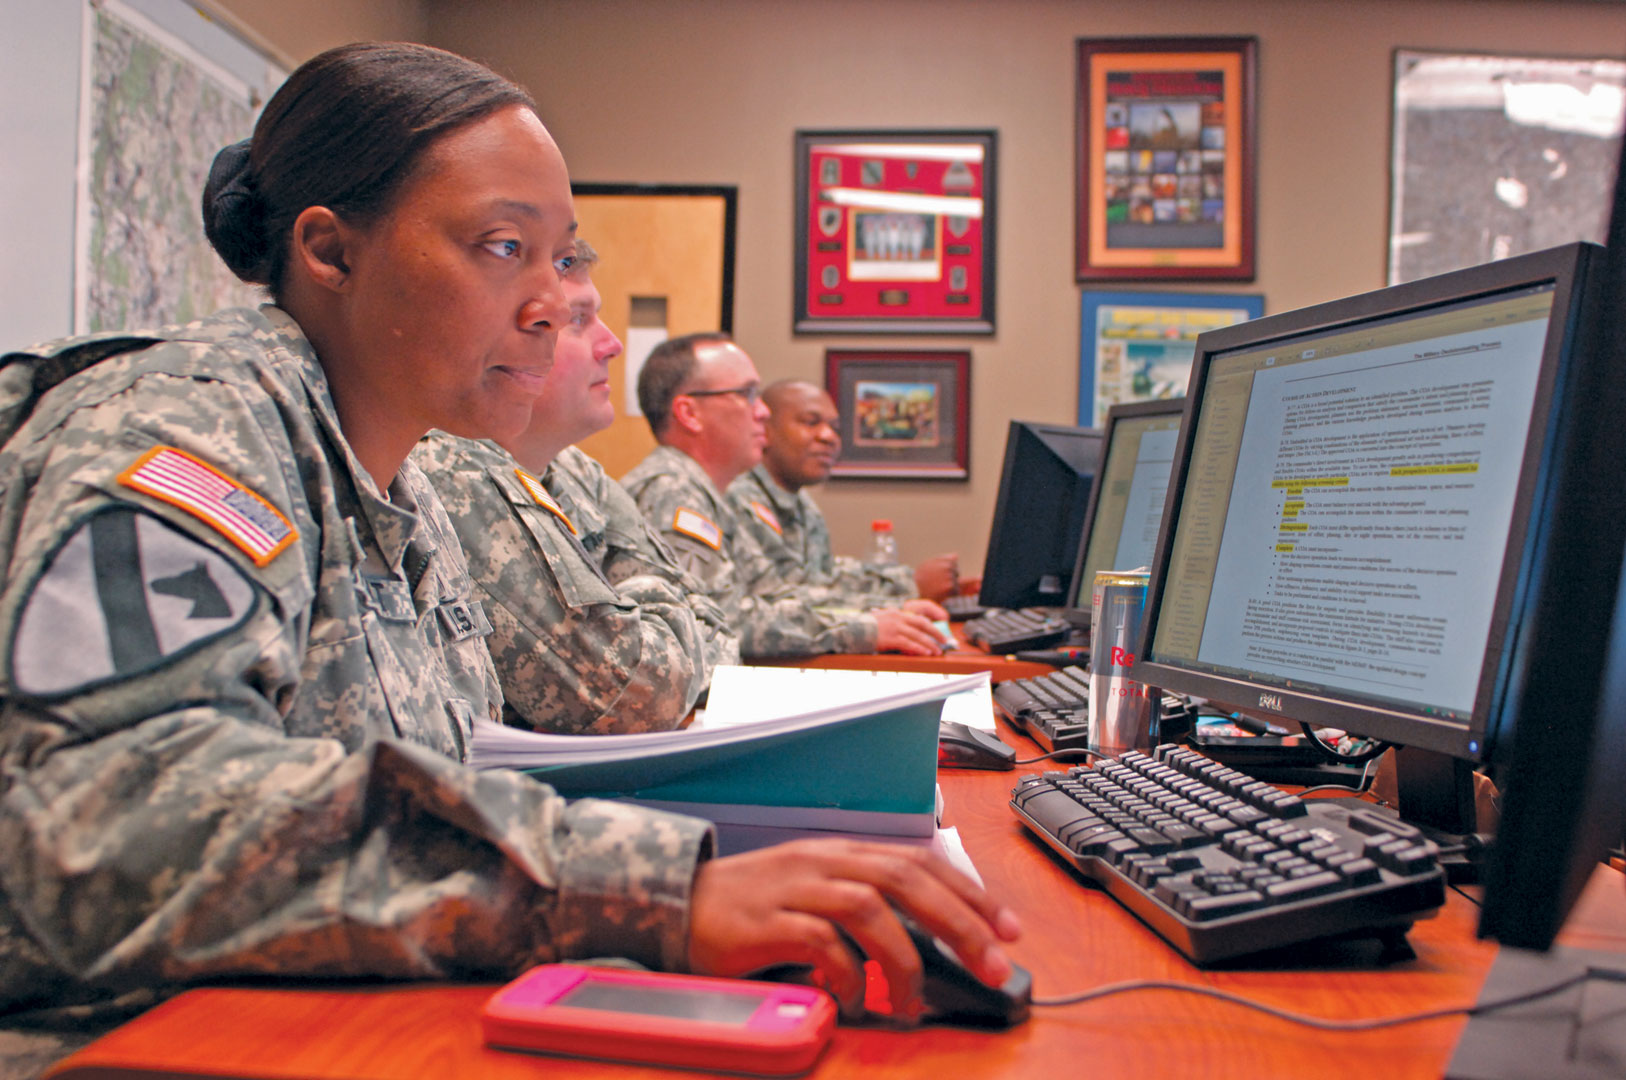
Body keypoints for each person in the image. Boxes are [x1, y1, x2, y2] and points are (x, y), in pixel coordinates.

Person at [0, 42, 1018, 1066]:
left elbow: (448, 777)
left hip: (328, 1005)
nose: (549, 304)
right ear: (330, 253)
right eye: (501, 248)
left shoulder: (408, 482)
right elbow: (114, 821)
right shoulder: (189, 431)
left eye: (563, 258)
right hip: (120, 1038)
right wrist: (653, 884)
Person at [413, 241, 737, 734]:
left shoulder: (575, 471)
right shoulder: (450, 465)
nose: (613, 345)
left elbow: (723, 630)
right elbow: (637, 697)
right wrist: (650, 610)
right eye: (580, 320)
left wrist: (638, 623)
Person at [621, 334, 948, 658]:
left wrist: (881, 610)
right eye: (747, 394)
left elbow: (775, 592)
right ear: (690, 413)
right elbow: (723, 621)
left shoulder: (702, 491)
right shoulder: (671, 491)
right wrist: (864, 628)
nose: (763, 411)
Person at [730, 379, 973, 603]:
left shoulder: (802, 504)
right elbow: (779, 603)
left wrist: (909, 581)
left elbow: (824, 579)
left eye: (835, 427)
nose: (829, 437)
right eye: (811, 422)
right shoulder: (739, 499)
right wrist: (909, 592)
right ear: (765, 429)